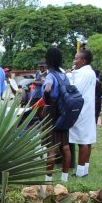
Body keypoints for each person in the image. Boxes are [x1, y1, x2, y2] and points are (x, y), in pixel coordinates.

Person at [42, 47, 71, 182]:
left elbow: (48, 88)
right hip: (63, 111)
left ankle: (48, 178)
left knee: (51, 147)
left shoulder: (50, 75)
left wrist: (48, 98)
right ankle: (65, 177)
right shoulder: (64, 75)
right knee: (65, 145)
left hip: (52, 111)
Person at [69, 50, 97, 178]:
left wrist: (69, 76)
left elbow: (75, 89)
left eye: (76, 59)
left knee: (82, 141)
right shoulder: (90, 72)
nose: (74, 61)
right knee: (87, 139)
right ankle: (85, 168)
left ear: (83, 61)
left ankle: (80, 172)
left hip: (82, 110)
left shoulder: (83, 73)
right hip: (88, 108)